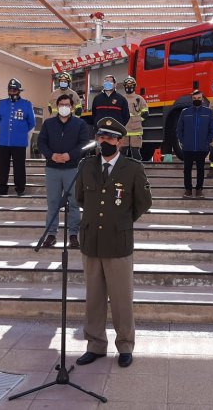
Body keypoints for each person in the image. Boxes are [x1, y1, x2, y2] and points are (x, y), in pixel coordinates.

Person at [74, 117, 152, 369]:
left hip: (118, 242)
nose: (103, 141)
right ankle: (95, 345)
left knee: (121, 299)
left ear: (119, 141)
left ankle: (125, 345)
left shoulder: (133, 168)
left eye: (109, 137)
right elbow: (80, 198)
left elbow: (144, 202)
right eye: (101, 136)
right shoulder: (86, 166)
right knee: (94, 298)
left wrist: (122, 221)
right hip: (91, 242)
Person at [37, 94, 89, 248]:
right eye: (61, 105)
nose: (64, 107)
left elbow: (84, 143)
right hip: (52, 168)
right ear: (57, 106)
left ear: (72, 107)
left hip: (72, 169)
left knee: (74, 203)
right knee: (53, 203)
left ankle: (73, 235)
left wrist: (69, 155)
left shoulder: (80, 124)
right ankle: (51, 235)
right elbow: (41, 142)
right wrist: (51, 155)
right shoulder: (48, 123)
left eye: (67, 104)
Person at [0, 78, 36, 196]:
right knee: (2, 166)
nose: (12, 92)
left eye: (14, 90)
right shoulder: (2, 103)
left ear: (19, 91)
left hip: (19, 142)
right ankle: (1, 188)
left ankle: (20, 188)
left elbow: (32, 123)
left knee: (19, 167)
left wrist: (20, 132)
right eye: (10, 90)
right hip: (3, 141)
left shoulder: (26, 104)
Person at [176, 90, 213, 199]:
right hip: (188, 147)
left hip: (202, 148)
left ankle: (199, 190)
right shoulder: (185, 112)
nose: (197, 100)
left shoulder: (208, 112)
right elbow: (179, 129)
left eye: (199, 99)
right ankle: (188, 190)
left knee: (200, 170)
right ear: (192, 99)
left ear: (202, 99)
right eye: (194, 99)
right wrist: (183, 141)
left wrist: (207, 141)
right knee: (187, 170)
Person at [120, 76, 149, 160]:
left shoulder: (139, 99)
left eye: (131, 85)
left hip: (135, 130)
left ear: (134, 86)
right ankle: (121, 169)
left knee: (135, 151)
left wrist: (138, 120)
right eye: (127, 86)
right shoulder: (121, 98)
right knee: (122, 151)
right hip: (124, 129)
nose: (129, 88)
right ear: (124, 87)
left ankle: (137, 169)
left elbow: (145, 113)